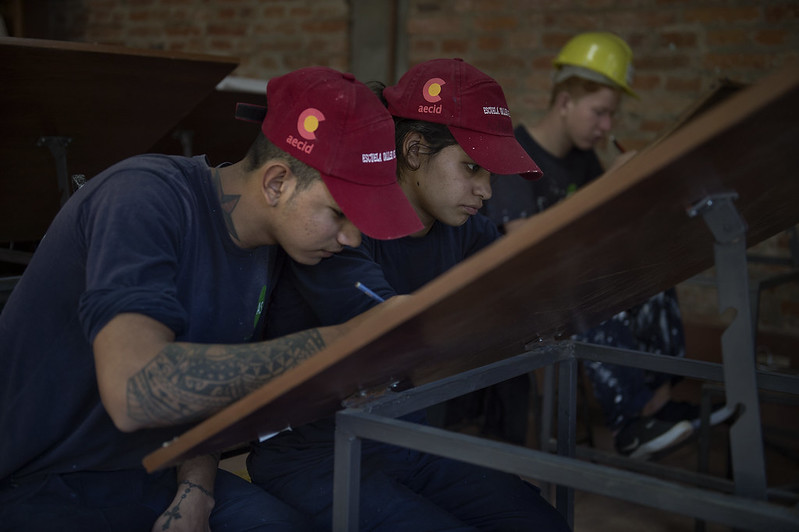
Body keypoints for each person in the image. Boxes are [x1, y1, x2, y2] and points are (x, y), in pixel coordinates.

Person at [0, 66, 423, 531]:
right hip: (34, 480)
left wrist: (196, 490)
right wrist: (342, 346)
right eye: (340, 214)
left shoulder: (277, 246)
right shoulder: (141, 198)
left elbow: (211, 390)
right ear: (277, 183)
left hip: (154, 471)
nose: (351, 238)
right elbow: (134, 391)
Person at [247, 58, 571, 531]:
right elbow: (393, 331)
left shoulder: (466, 230)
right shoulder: (338, 227)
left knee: (542, 524)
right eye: (472, 167)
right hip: (315, 455)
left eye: (491, 176)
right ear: (415, 150)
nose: (485, 191)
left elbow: (519, 285)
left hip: (407, 437)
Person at [483, 32, 733, 458]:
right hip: (521, 298)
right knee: (587, 288)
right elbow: (521, 241)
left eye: (611, 115)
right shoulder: (516, 155)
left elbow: (601, 225)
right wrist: (607, 184)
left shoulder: (582, 159)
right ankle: (629, 424)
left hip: (569, 283)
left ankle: (656, 404)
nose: (606, 127)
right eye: (599, 113)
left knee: (651, 275)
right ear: (565, 102)